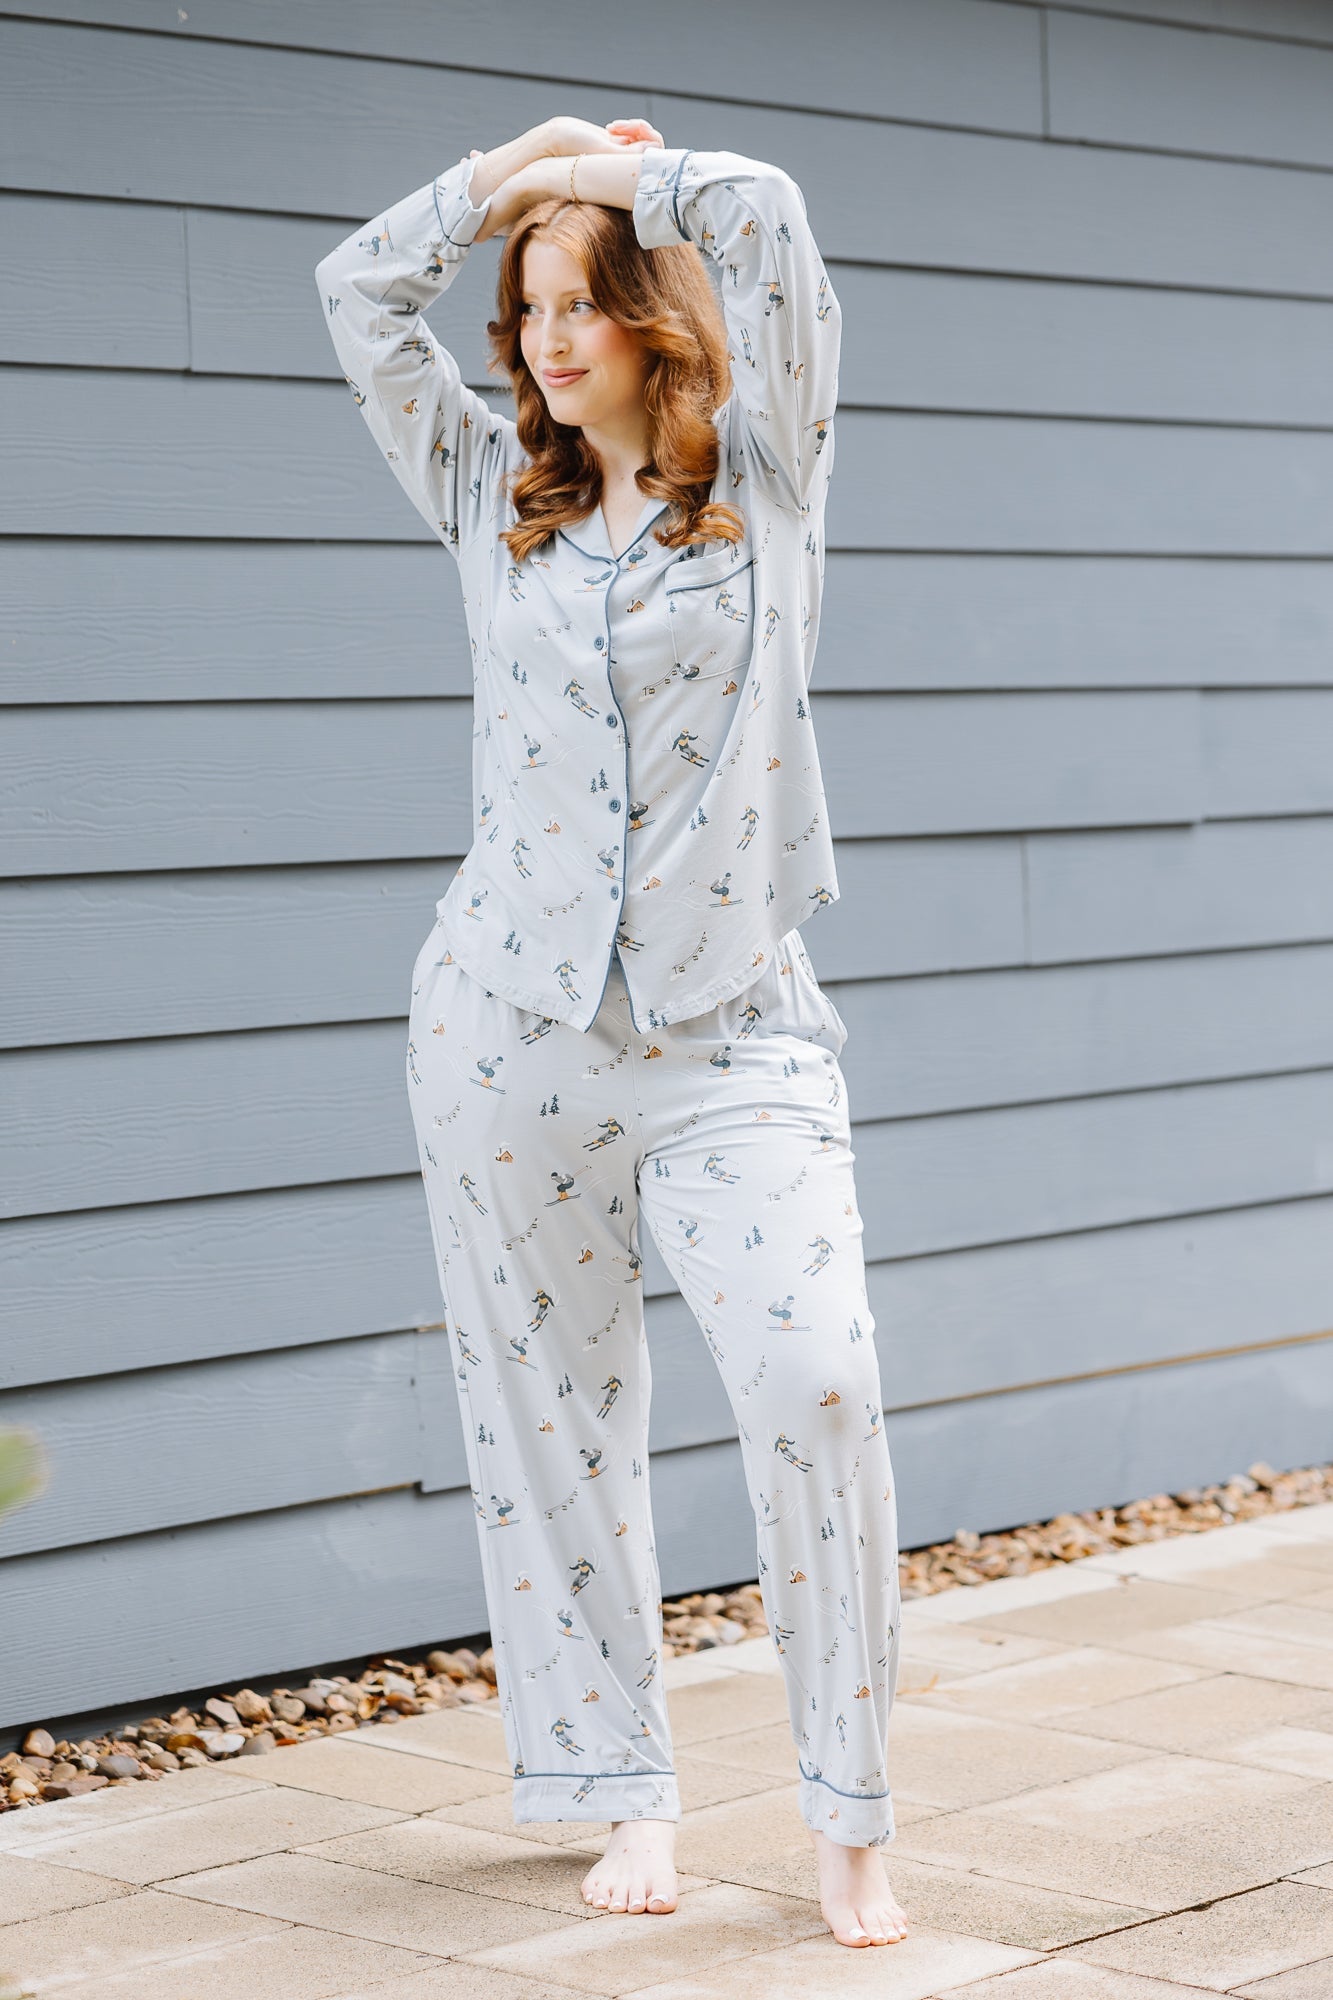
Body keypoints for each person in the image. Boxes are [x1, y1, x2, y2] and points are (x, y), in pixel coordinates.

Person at [314, 112, 907, 1951]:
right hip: (503, 1027)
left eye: (580, 306)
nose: (545, 341)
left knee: (816, 1378)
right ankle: (617, 1788)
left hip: (733, 1026)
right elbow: (355, 289)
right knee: (546, 1421)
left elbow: (774, 221)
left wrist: (614, 168)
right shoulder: (498, 490)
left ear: (659, 314)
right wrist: (503, 177)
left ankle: (850, 1812)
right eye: (527, 313)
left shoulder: (776, 477)